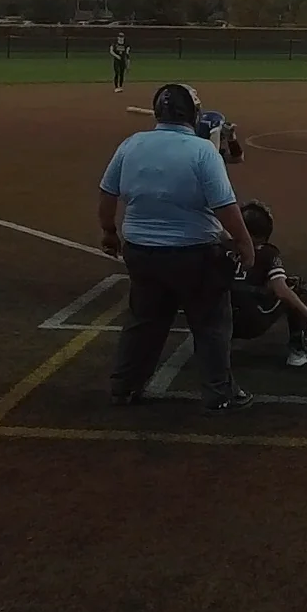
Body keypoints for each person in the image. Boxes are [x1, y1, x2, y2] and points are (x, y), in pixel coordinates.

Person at [100, 82, 257, 412]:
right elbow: (225, 206)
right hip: (194, 255)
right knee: (211, 324)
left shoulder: (131, 145)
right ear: (193, 114)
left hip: (141, 252)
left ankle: (123, 387)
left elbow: (107, 192)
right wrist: (244, 242)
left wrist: (109, 232)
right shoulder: (202, 152)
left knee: (144, 322)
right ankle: (219, 393)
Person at [229, 201, 307, 367]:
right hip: (251, 323)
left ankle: (212, 346)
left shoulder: (221, 247)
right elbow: (282, 291)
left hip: (219, 321)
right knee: (295, 286)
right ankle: (299, 350)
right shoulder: (268, 253)